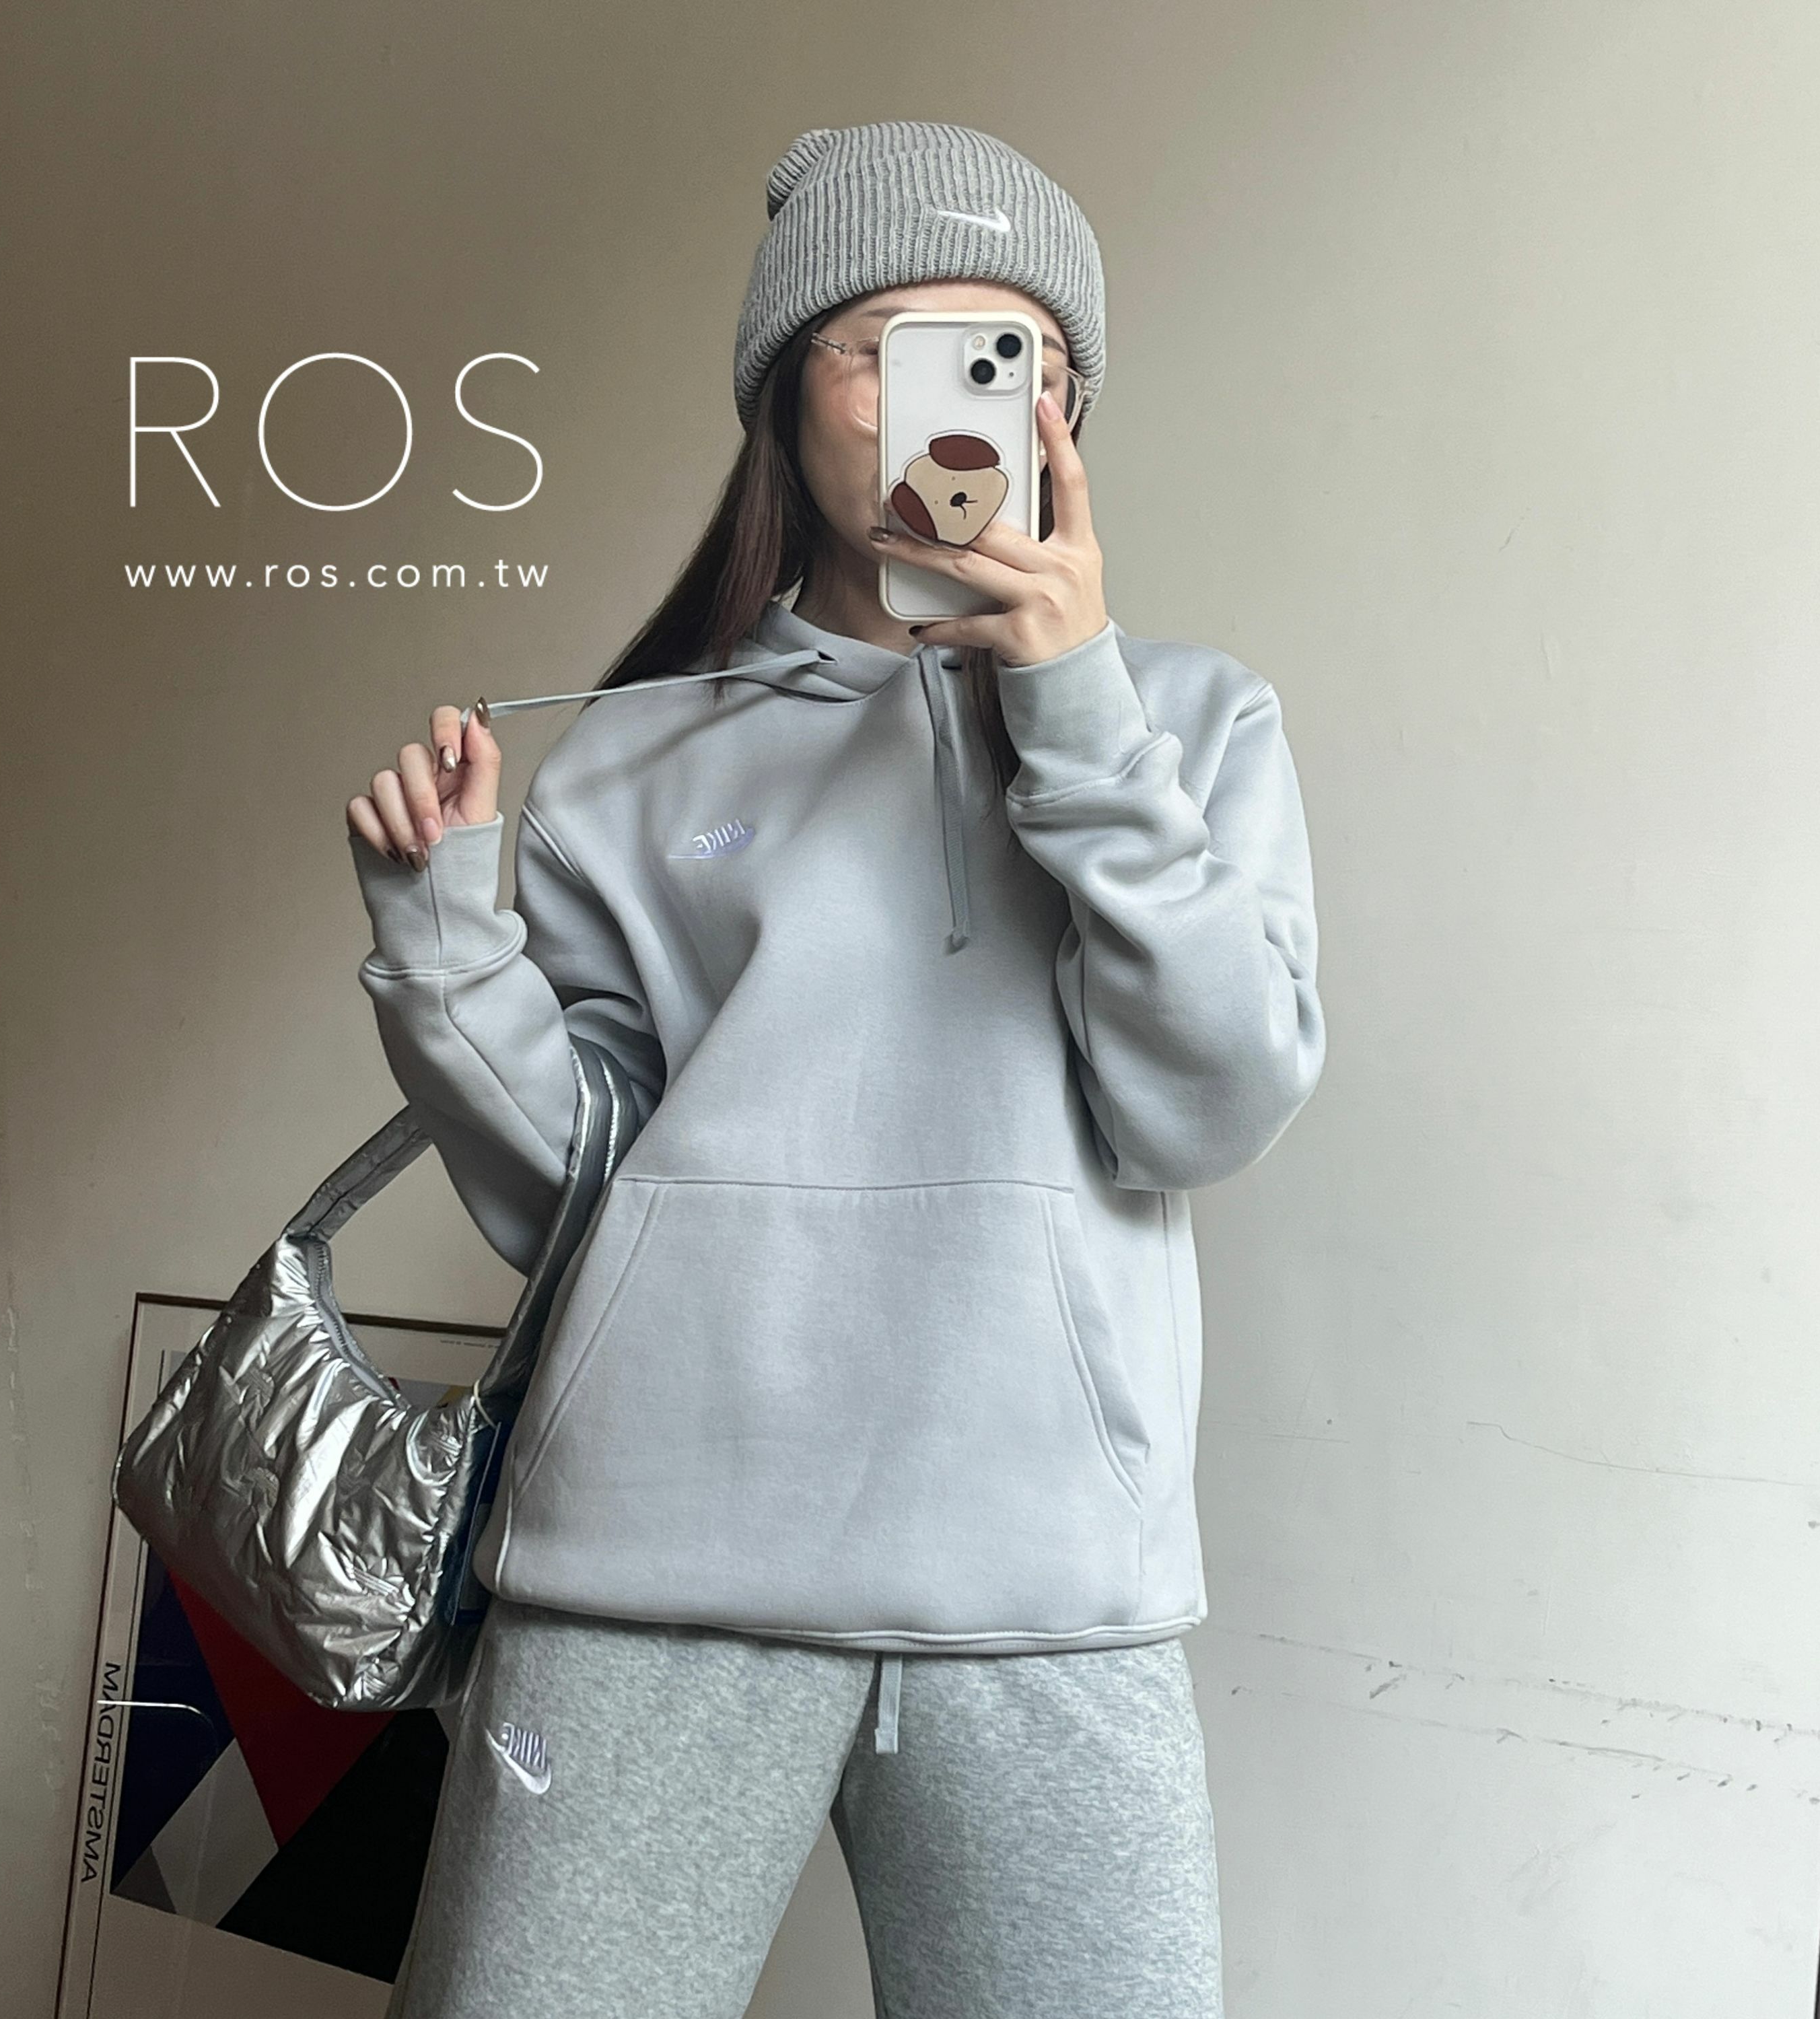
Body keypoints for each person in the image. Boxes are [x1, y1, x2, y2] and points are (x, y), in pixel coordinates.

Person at [345, 120, 1324, 2019]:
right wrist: (442, 939)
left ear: (1063, 412)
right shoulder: (636, 756)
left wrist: (1075, 709)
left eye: (1005, 353)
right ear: (783, 393)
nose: (945, 402)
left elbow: (1207, 1107)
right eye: (882, 346)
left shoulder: (1195, 725)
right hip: (649, 1571)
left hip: (1050, 1590)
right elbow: (568, 1199)